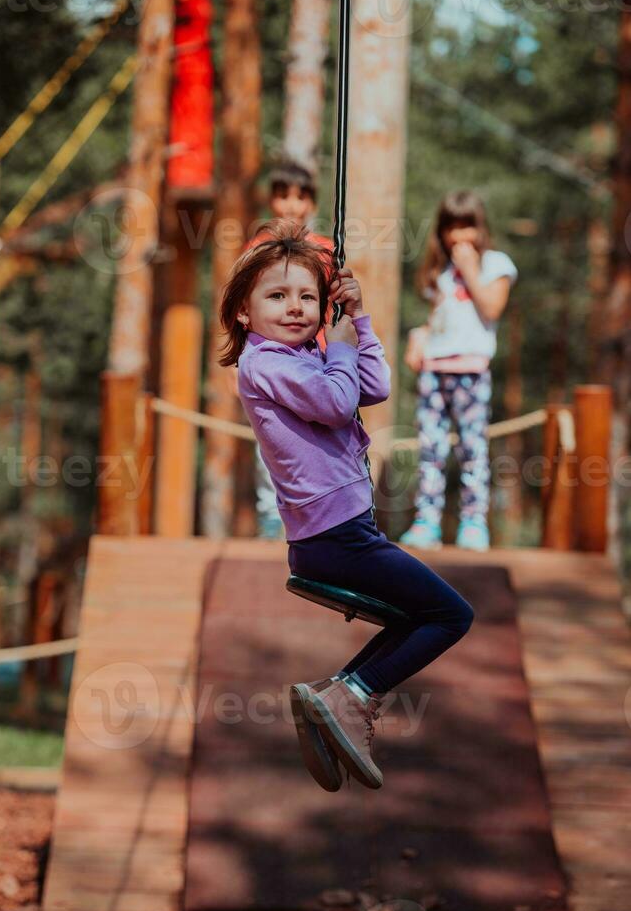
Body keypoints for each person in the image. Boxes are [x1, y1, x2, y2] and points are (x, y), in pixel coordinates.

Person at [219, 220, 474, 793]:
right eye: (277, 296)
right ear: (243, 311)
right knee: (452, 615)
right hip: (333, 540)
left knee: (418, 616)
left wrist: (357, 320)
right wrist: (335, 345)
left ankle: (338, 697)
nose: (295, 308)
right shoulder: (266, 364)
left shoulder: (306, 356)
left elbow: (375, 386)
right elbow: (339, 403)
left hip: (342, 533)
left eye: (308, 297)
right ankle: (354, 696)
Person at [401, 190, 518, 552]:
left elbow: (492, 309)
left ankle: (472, 522)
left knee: (472, 448)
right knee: (431, 449)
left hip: (471, 370)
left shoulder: (496, 264)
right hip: (434, 370)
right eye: (452, 227)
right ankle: (426, 521)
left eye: (467, 226)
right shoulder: (440, 272)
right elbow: (440, 320)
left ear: (480, 227)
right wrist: (418, 338)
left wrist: (470, 270)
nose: (459, 236)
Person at [248, 161, 333, 540]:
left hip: (316, 359)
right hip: (269, 359)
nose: (291, 206)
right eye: (283, 196)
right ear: (271, 201)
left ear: (311, 203)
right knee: (271, 437)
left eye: (300, 198)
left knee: (317, 440)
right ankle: (271, 513)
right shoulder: (256, 250)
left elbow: (333, 308)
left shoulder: (326, 251)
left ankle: (318, 513)